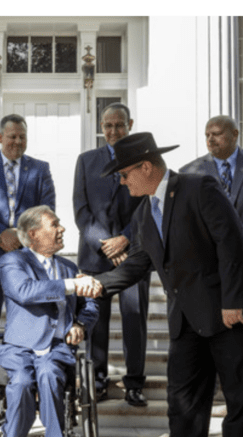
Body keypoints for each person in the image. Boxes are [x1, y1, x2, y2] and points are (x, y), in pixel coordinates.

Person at [91, 132, 243, 437]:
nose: (122, 182)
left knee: (240, 401)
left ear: (146, 167)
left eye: (124, 174)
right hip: (186, 320)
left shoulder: (199, 187)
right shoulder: (143, 215)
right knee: (182, 399)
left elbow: (230, 242)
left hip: (230, 314)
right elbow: (138, 264)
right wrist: (96, 285)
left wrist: (233, 302)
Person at [180, 115, 243, 410]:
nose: (211, 140)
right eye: (207, 135)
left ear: (235, 134)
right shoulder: (192, 171)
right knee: (213, 324)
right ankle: (213, 386)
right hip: (212, 264)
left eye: (216, 134)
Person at [0, 205, 99, 437]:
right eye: (54, 224)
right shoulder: (12, 261)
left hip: (56, 347)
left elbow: (89, 304)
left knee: (49, 376)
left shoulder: (69, 266)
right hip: (19, 347)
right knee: (19, 383)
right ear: (33, 235)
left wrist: (80, 324)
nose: (62, 228)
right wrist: (71, 285)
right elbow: (25, 291)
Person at [73, 102, 151, 405]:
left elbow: (147, 205)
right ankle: (97, 381)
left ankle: (134, 384)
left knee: (134, 320)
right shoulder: (86, 161)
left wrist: (126, 240)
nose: (114, 131)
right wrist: (106, 243)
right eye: (108, 125)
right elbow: (81, 210)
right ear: (101, 127)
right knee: (95, 321)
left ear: (130, 124)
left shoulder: (144, 160)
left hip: (134, 256)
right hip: (96, 257)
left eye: (119, 125)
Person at [0, 114, 56, 372]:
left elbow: (47, 208)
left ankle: (22, 371)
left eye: (22, 136)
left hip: (27, 258)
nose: (17, 141)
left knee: (27, 317)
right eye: (12, 136)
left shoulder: (40, 169)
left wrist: (21, 236)